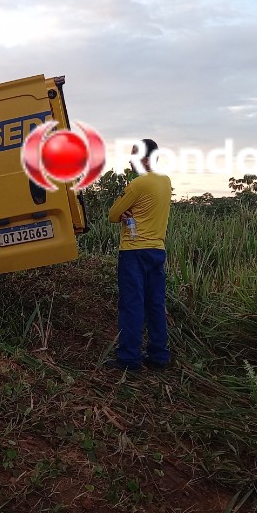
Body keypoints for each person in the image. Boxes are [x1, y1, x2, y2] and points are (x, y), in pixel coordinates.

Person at [104, 139, 173, 372]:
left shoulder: (138, 185)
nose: (131, 160)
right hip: (157, 250)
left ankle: (129, 359)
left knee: (132, 305)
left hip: (134, 252)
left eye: (134, 155)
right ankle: (159, 357)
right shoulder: (165, 182)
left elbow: (113, 215)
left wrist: (125, 213)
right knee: (155, 303)